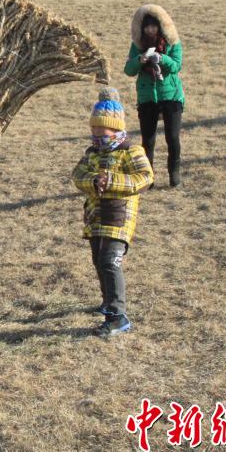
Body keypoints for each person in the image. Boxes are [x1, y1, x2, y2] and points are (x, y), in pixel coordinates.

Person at [72, 87, 153, 337]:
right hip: (95, 217)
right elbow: (78, 175)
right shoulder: (92, 153)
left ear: (115, 128)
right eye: (93, 128)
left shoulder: (131, 151)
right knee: (98, 261)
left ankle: (118, 315)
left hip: (119, 218)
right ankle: (107, 301)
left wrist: (113, 182)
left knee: (110, 262)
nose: (96, 132)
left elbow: (145, 177)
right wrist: (94, 182)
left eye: (101, 128)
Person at [123, 4, 185, 187]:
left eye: (154, 26)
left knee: (172, 138)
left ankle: (174, 172)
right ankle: (147, 177)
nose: (150, 30)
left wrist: (162, 58)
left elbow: (176, 66)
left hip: (171, 95)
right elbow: (128, 70)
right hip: (147, 96)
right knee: (147, 141)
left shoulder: (173, 43)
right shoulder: (137, 46)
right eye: (147, 27)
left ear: (161, 26)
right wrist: (139, 60)